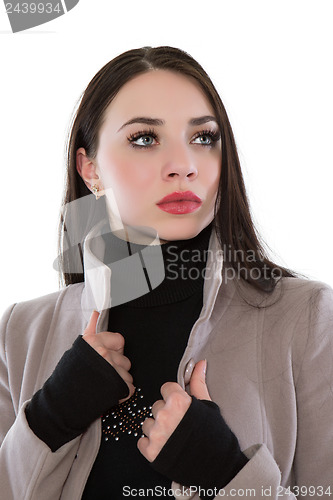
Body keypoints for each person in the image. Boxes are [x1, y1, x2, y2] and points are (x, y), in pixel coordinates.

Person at [0, 46, 332, 500]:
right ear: (90, 168)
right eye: (144, 138)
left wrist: (228, 473)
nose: (183, 166)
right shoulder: (19, 333)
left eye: (203, 137)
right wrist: (49, 417)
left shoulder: (308, 319)